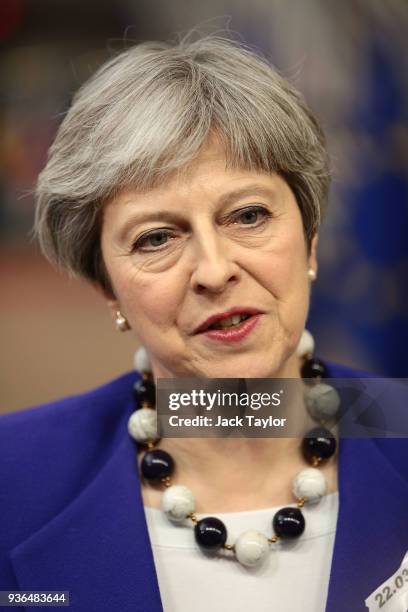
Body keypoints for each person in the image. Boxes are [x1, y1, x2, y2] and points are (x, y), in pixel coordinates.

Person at [1, 35, 407, 612]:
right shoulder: (10, 476)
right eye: (156, 238)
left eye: (248, 215)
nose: (214, 272)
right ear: (106, 287)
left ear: (311, 241)